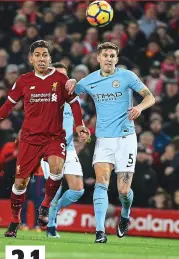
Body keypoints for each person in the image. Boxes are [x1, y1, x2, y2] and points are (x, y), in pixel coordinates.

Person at [66, 42, 155, 243]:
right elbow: (70, 96)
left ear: (117, 59)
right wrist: (71, 80)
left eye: (112, 56)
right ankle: (100, 232)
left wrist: (139, 108)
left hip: (126, 139)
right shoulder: (90, 80)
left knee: (123, 191)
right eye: (105, 55)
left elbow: (150, 97)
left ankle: (125, 213)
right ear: (98, 58)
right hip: (104, 139)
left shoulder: (127, 76)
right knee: (101, 183)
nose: (108, 58)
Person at [0, 40, 89, 238]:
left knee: (57, 168)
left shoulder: (60, 78)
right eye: (38, 55)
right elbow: (8, 105)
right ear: (31, 59)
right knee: (20, 184)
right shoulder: (24, 80)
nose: (42, 58)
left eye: (45, 55)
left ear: (50, 58)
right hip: (30, 139)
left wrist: (80, 125)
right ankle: (15, 219)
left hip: (54, 137)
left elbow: (74, 103)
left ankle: (46, 205)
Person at [41, 62, 85, 238]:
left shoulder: (74, 98)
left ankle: (50, 209)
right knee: (56, 188)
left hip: (69, 148)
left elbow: (76, 121)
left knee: (78, 190)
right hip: (48, 149)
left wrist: (82, 131)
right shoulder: (42, 97)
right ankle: (51, 227)